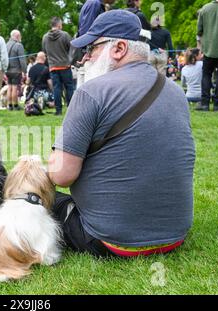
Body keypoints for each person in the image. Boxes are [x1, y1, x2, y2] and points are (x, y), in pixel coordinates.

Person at [48, 10, 195, 258]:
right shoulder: (176, 91)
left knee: (31, 196)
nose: (85, 59)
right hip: (174, 236)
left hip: (110, 239)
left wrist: (51, 162)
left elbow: (62, 175)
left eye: (92, 49)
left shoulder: (92, 92)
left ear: (118, 48)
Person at [75, 0, 115, 88]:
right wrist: (88, 52)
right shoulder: (94, 4)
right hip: (91, 56)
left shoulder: (94, 4)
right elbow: (87, 31)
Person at [42, 17, 75, 115]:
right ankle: (70, 109)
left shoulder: (45, 37)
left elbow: (44, 51)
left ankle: (58, 110)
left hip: (53, 67)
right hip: (65, 65)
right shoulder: (65, 35)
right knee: (69, 87)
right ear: (59, 25)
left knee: (56, 88)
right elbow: (71, 48)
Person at [6, 30, 27, 111]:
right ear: (17, 36)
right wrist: (24, 71)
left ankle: (10, 105)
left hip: (7, 70)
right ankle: (15, 105)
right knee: (14, 87)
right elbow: (22, 60)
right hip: (16, 70)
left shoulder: (6, 44)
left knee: (9, 87)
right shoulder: (19, 45)